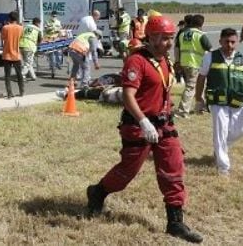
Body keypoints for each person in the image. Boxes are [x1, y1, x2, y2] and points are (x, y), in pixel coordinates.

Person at [86, 16, 203, 243]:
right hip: (138, 124)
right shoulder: (136, 61)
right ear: (152, 37)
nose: (170, 43)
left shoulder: (165, 60)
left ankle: (175, 223)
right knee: (126, 172)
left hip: (163, 124)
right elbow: (128, 96)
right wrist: (143, 121)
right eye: (166, 38)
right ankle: (98, 192)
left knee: (173, 169)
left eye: (171, 38)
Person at [193, 28, 243, 175]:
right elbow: (201, 78)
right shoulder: (210, 57)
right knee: (220, 131)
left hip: (238, 100)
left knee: (241, 131)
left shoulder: (242, 57)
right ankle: (223, 167)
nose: (230, 45)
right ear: (220, 42)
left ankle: (220, 148)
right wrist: (199, 99)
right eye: (226, 42)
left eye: (233, 42)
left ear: (237, 42)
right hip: (218, 101)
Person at [175, 14, 212, 117]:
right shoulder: (200, 35)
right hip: (195, 64)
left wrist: (177, 62)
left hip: (184, 63)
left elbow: (177, 48)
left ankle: (202, 107)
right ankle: (183, 111)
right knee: (190, 88)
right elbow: (209, 49)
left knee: (199, 85)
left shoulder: (183, 34)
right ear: (201, 24)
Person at [0, 10, 25, 98]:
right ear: (17, 18)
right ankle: (21, 91)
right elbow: (21, 37)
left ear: (9, 18)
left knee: (7, 75)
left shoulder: (5, 28)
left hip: (7, 54)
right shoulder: (21, 28)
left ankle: (9, 93)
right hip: (17, 55)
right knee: (19, 74)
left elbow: (2, 38)